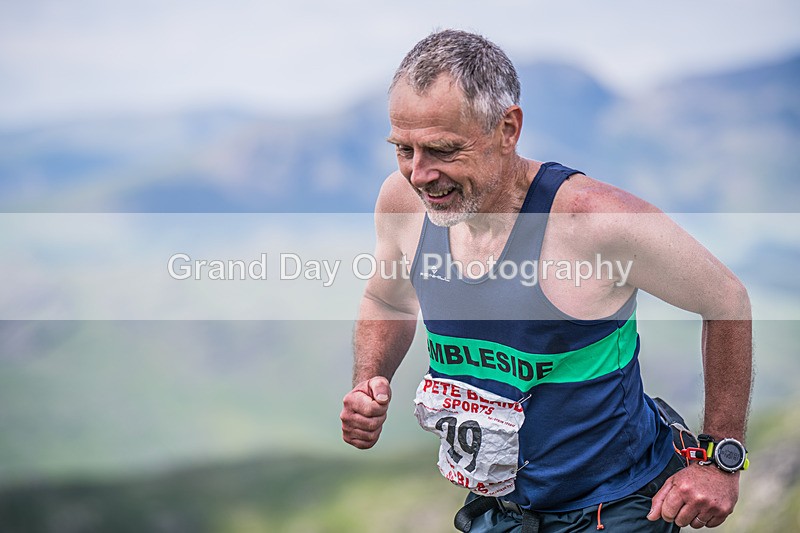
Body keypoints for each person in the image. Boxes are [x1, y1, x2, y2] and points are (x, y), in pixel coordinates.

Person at [340, 29, 752, 532]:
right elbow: (388, 297)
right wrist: (368, 379)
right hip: (501, 513)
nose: (419, 174)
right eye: (403, 149)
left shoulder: (596, 222)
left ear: (507, 128)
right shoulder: (403, 202)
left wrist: (720, 460)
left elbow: (727, 299)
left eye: (443, 151)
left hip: (616, 509)